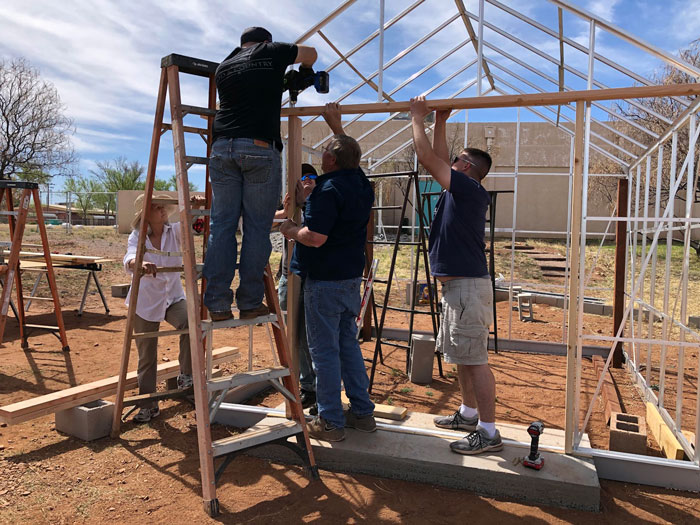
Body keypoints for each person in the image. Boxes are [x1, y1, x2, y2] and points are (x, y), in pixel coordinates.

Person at [202, 26, 317, 321]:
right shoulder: (270, 51)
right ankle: (250, 301)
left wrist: (280, 82)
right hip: (258, 148)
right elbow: (311, 54)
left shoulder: (225, 66)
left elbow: (253, 93)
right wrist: (303, 71)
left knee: (222, 226)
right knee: (255, 228)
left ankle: (216, 303)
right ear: (265, 41)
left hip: (221, 148)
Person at [410, 95, 502, 455]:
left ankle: (489, 433)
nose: (451, 161)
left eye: (457, 160)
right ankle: (468, 414)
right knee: (464, 356)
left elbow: (427, 158)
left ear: (465, 167)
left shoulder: (466, 188)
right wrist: (441, 122)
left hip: (467, 289)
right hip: (459, 288)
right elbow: (440, 155)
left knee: (475, 360)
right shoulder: (464, 188)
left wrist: (418, 118)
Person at [280, 103, 375, 442]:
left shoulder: (327, 189)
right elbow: (351, 156)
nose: (320, 157)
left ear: (331, 160)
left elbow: (315, 238)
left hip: (323, 281)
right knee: (347, 345)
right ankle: (363, 414)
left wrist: (292, 230)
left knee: (324, 352)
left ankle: (331, 421)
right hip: (350, 278)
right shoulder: (362, 184)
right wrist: (336, 125)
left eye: (324, 153)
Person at [123, 194, 204, 423]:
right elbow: (128, 257)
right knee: (147, 354)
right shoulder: (138, 236)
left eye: (163, 207)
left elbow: (193, 224)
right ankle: (148, 405)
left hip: (172, 297)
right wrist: (139, 264)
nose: (162, 211)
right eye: (157, 207)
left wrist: (194, 205)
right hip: (146, 301)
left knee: (190, 322)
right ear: (146, 214)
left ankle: (185, 375)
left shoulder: (173, 232)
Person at [276, 163, 318, 408]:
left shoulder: (320, 207)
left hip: (309, 280)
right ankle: (306, 384)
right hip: (287, 278)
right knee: (293, 333)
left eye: (313, 177)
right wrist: (285, 212)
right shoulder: (289, 208)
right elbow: (266, 224)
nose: (309, 180)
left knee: (307, 334)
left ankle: (312, 386)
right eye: (304, 177)